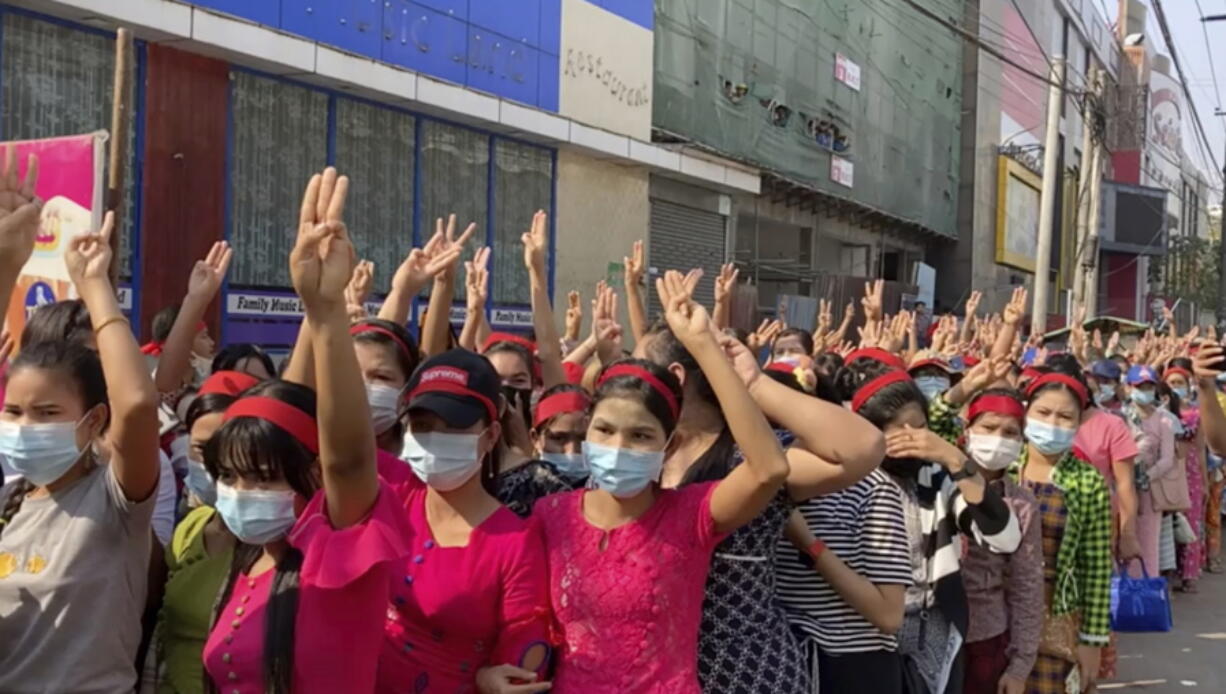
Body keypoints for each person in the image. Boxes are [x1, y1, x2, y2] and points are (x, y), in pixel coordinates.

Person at [533, 270, 793, 693]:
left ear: (667, 445)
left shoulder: (691, 515)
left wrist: (705, 347)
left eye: (640, 436)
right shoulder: (550, 515)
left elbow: (769, 469)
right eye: (604, 431)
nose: (618, 447)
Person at [201, 166, 407, 693]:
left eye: (266, 477)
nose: (243, 494)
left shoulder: (334, 553)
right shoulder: (248, 557)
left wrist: (326, 309)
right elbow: (287, 411)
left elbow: (346, 458)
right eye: (231, 477)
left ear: (312, 477)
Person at [636, 288, 886, 693]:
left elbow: (864, 447)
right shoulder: (641, 457)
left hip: (747, 673)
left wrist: (752, 384)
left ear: (676, 378)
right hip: (656, 671)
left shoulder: (751, 457)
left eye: (638, 365)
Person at [0, 211, 163, 692]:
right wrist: (7, 262)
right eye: (13, 411)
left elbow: (135, 404)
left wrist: (94, 287)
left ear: (93, 420)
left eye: (48, 413)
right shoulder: (9, 505)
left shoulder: (117, 500)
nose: (25, 426)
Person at [842, 357, 1020, 694]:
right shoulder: (847, 481)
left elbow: (1005, 538)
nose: (913, 438)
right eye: (899, 427)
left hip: (933, 635)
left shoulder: (935, 477)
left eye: (920, 426)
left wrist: (955, 460)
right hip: (861, 638)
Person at [379, 349, 552, 693]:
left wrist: (491, 679)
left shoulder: (515, 542)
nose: (436, 439)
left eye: (456, 427)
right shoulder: (390, 490)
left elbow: (526, 645)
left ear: (490, 435)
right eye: (423, 426)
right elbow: (324, 435)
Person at [1010, 367, 1112, 694]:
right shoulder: (1003, 466)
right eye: (1043, 412)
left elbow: (1097, 568)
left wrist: (1093, 639)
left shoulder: (1087, 481)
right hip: (999, 609)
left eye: (1065, 417)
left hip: (1057, 615)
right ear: (1026, 412)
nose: (1052, 423)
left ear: (1079, 422)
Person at [156, 371, 257, 694]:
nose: (215, 464)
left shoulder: (275, 542)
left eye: (228, 450)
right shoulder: (191, 527)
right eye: (202, 449)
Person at [956, 389, 1043, 694]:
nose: (998, 438)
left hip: (986, 637)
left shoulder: (1021, 503)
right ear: (968, 431)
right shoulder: (939, 482)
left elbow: (1027, 586)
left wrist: (1020, 666)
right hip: (934, 632)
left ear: (1021, 441)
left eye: (1009, 432)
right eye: (989, 428)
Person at [493, 383, 590, 517]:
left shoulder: (610, 492)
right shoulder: (517, 492)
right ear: (535, 438)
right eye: (558, 438)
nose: (572, 450)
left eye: (583, 439)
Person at [1120, 365, 1178, 582]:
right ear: (1129, 388)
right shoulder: (1121, 416)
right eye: (1139, 386)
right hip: (1120, 489)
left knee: (1147, 545)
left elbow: (1167, 459)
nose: (1144, 391)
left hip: (1148, 493)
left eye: (1148, 386)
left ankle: (1147, 596)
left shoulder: (1164, 420)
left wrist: (1146, 476)